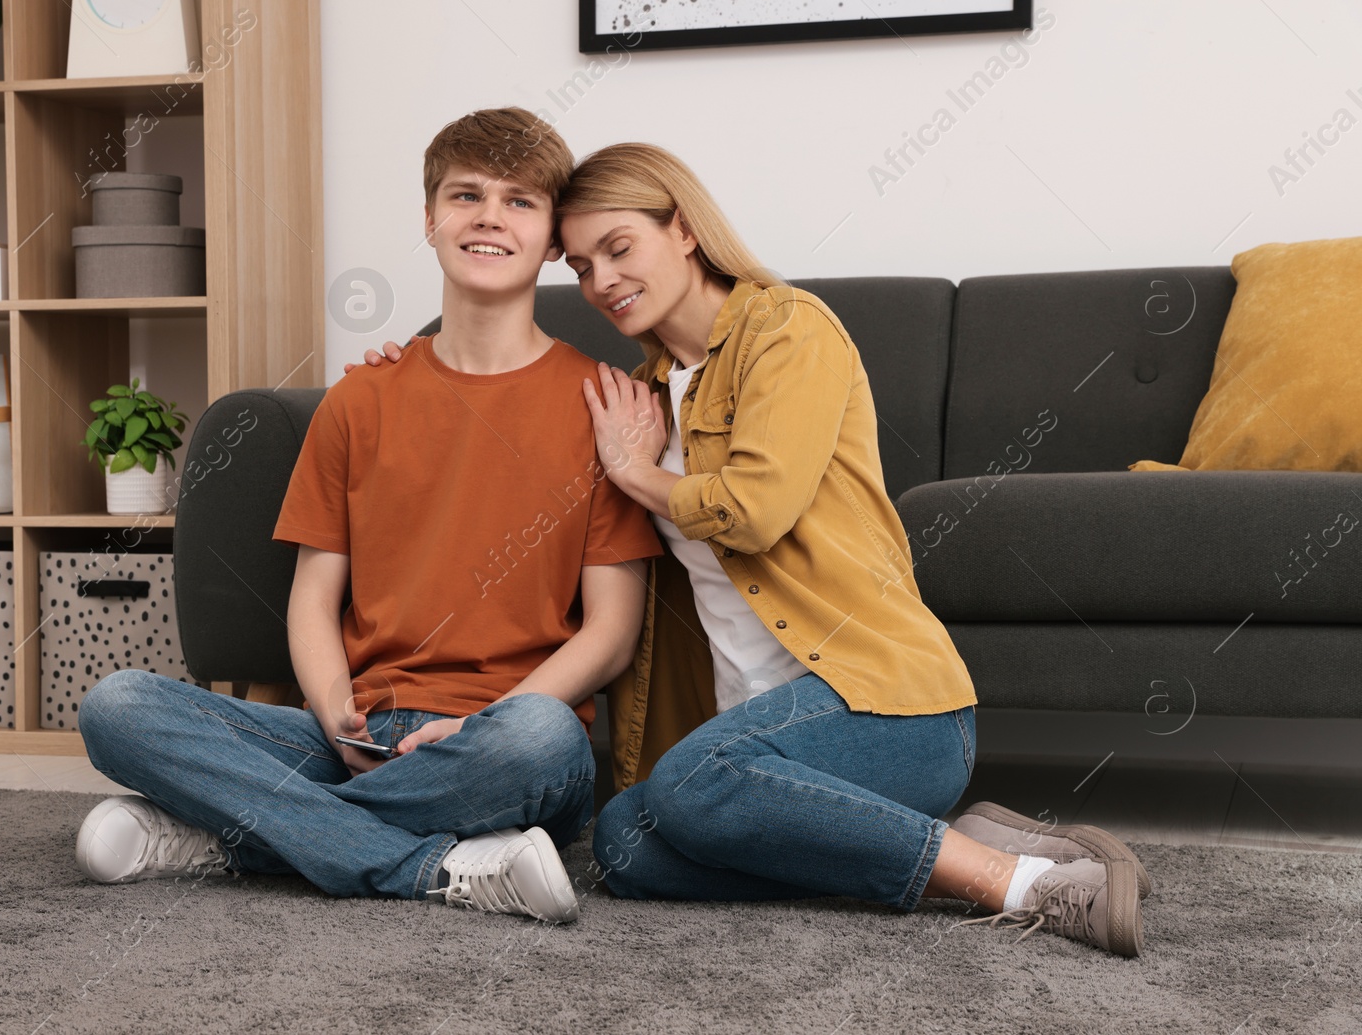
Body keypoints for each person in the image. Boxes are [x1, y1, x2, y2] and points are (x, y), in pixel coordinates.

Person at [351, 142, 1154, 956]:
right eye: (583, 264)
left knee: (692, 784)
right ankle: (944, 838)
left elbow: (754, 508)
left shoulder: (787, 329)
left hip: (884, 706)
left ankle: (1017, 884)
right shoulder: (639, 391)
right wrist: (412, 367)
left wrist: (635, 470)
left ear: (686, 230)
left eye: (620, 248)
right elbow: (519, 457)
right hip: (754, 742)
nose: (600, 283)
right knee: (625, 842)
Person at [71, 108, 663, 925]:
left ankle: (235, 836)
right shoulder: (361, 398)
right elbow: (314, 598)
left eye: (520, 201)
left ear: (554, 239)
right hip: (359, 732)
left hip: (501, 740)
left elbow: (611, 632)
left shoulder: (603, 404)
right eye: (466, 195)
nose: (490, 215)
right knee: (118, 706)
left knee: (547, 738)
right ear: (429, 220)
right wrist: (330, 708)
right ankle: (434, 865)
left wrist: (476, 722)